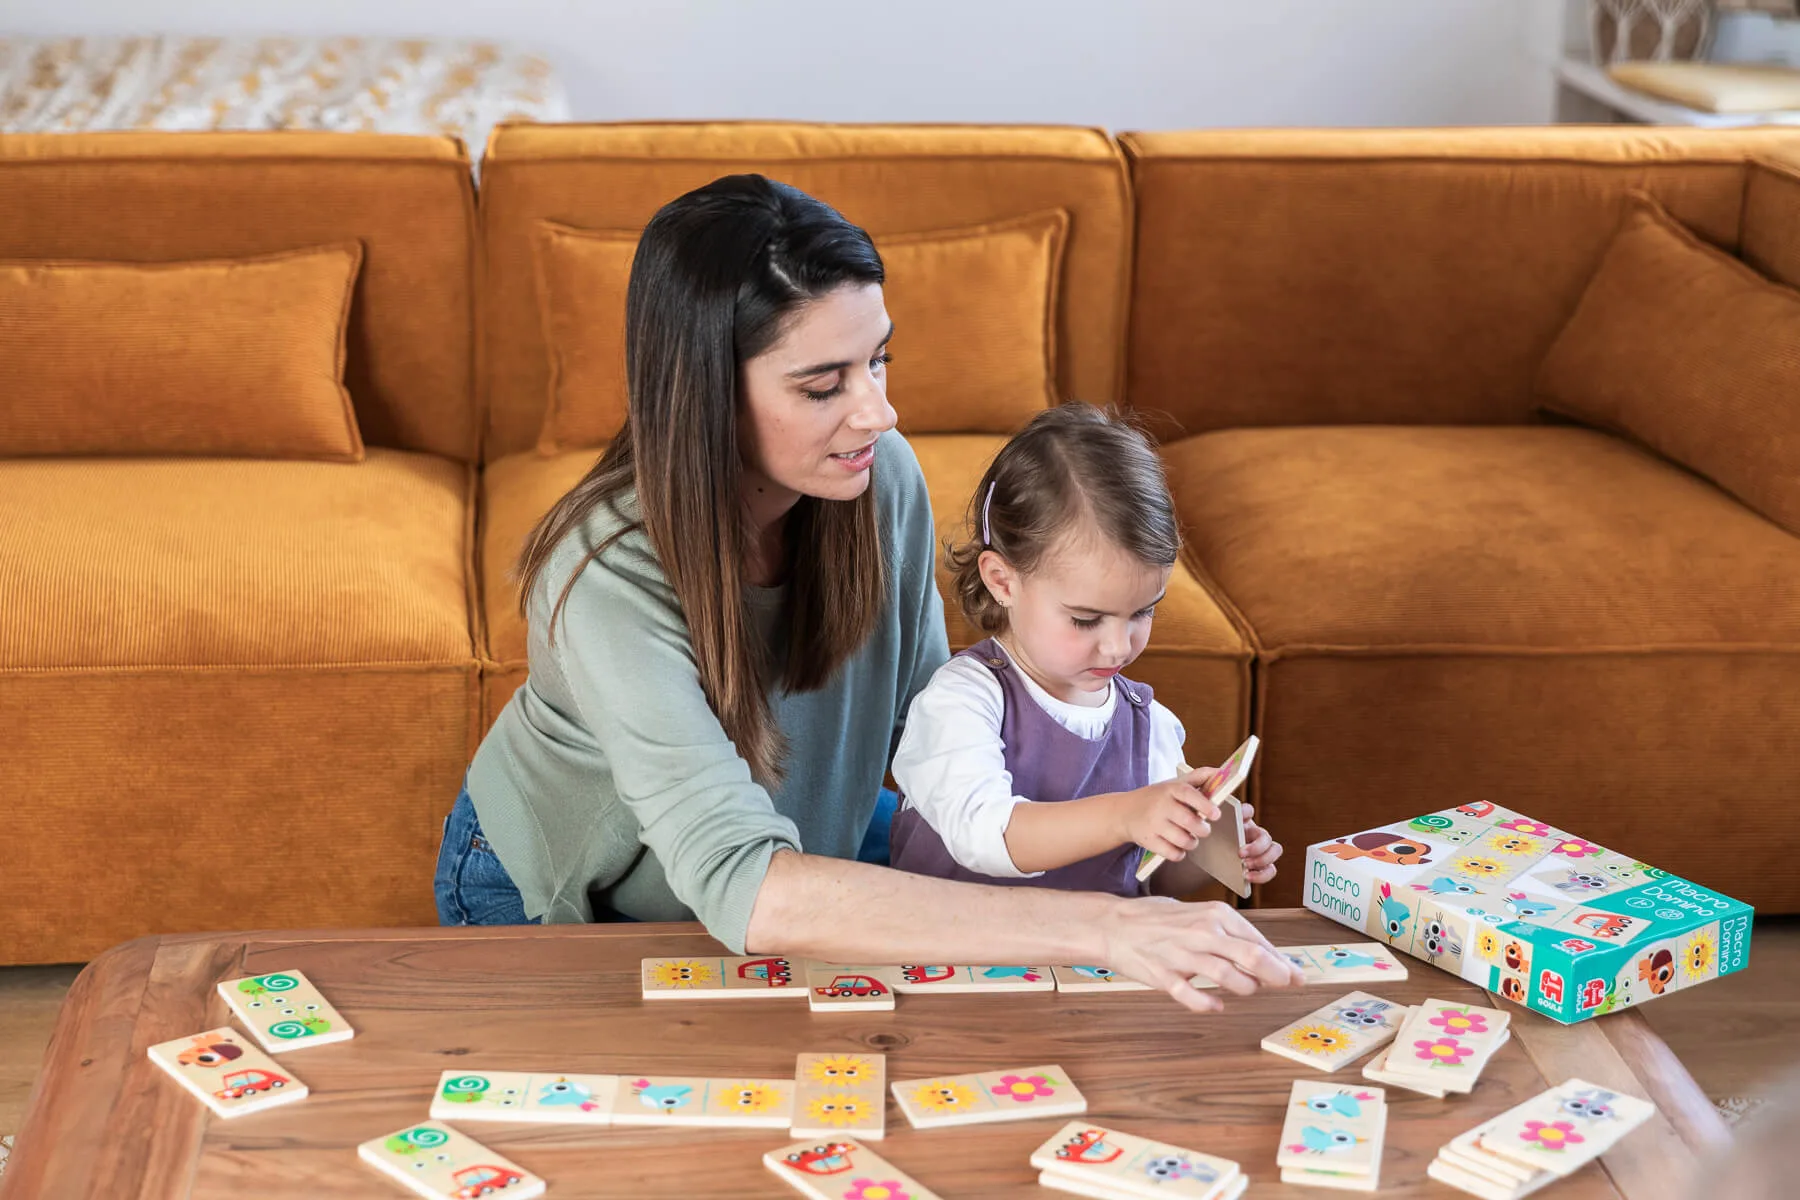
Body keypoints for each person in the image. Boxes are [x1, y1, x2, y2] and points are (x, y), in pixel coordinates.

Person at [433, 173, 1303, 1010]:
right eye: (824, 384)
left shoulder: (878, 477)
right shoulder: (603, 574)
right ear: (704, 396)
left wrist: (1139, 816)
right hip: (580, 891)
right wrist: (1107, 927)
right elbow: (743, 882)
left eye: (878, 361)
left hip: (801, 847)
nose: (878, 412)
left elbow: (930, 733)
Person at [889, 402, 1283, 898]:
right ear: (1002, 581)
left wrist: (1207, 849)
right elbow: (986, 836)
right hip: (953, 960)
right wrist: (1128, 814)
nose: (1119, 646)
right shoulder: (962, 702)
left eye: (1143, 612)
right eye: (1085, 619)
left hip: (1090, 964)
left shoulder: (1149, 726)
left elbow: (1151, 879)